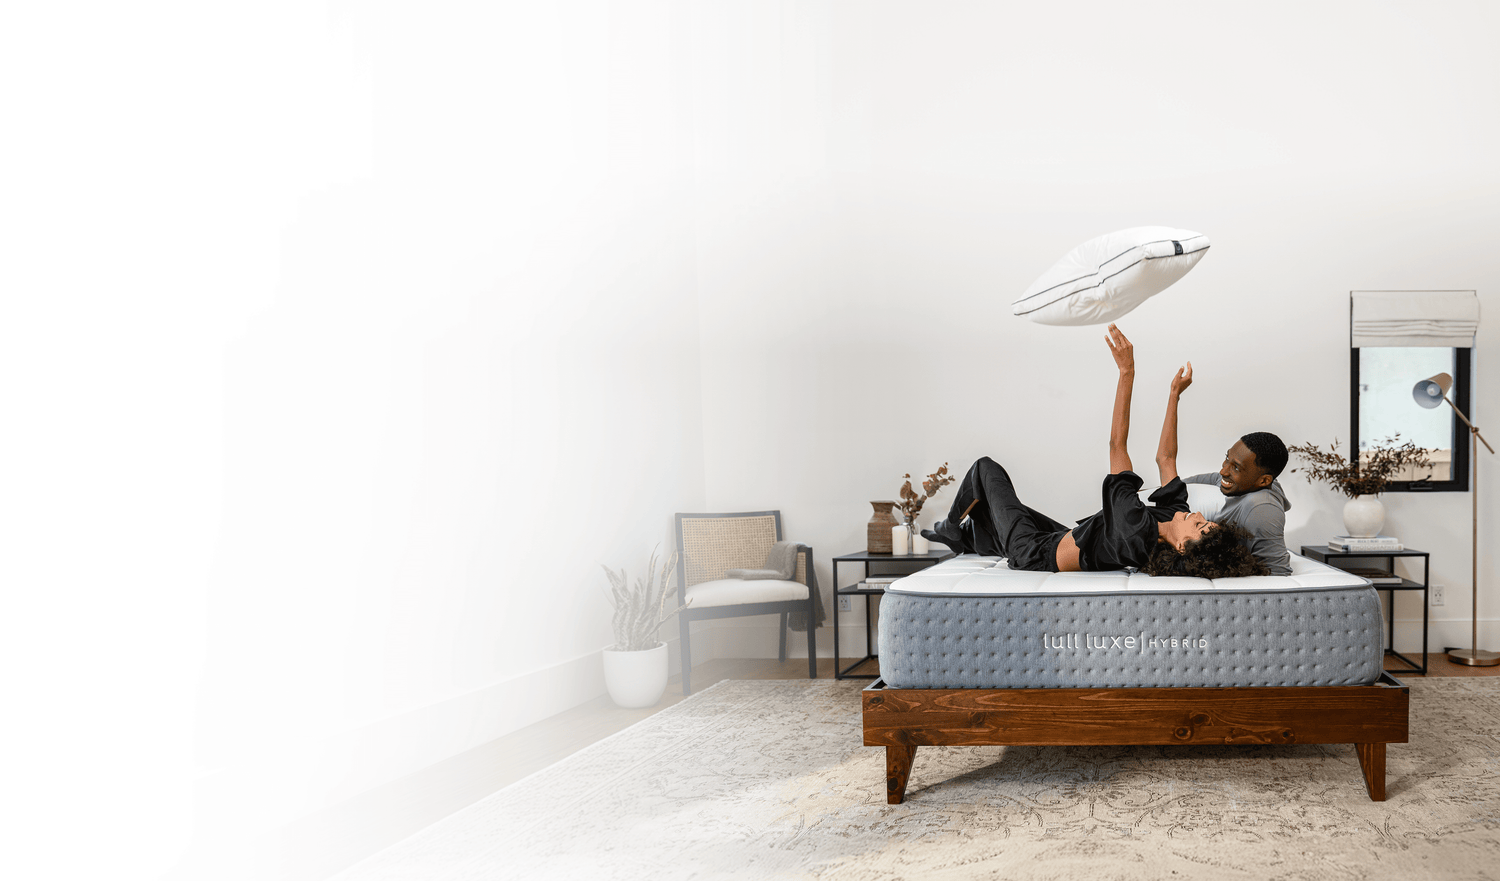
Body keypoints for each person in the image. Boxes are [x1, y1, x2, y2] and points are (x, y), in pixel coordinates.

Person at [923, 324, 1267, 578]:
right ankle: (966, 538)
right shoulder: (1171, 515)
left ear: (1182, 546)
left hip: (1035, 553)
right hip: (1059, 535)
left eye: (1201, 528)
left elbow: (1117, 446)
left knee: (985, 470)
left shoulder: (1135, 530)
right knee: (987, 514)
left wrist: (1126, 372)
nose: (1199, 518)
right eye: (1207, 522)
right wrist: (1174, 396)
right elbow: (1166, 459)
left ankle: (952, 529)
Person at [1179, 433, 1293, 576]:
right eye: (1227, 458)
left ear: (1263, 481)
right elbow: (1174, 486)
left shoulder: (1262, 508)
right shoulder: (1239, 483)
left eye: (1236, 468)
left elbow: (1278, 573)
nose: (1223, 471)